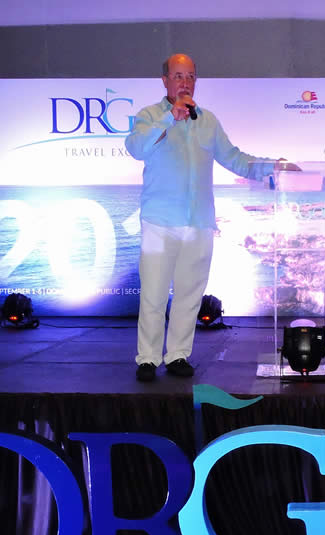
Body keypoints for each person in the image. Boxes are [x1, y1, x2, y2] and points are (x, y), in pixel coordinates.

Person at [125, 53, 297, 382]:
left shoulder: (208, 121)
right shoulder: (149, 116)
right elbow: (136, 148)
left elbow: (234, 158)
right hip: (159, 222)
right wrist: (170, 118)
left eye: (190, 76)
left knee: (190, 294)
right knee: (153, 295)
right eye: (178, 76)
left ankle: (177, 355)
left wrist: (272, 166)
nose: (185, 82)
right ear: (165, 80)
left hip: (199, 221)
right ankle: (147, 358)